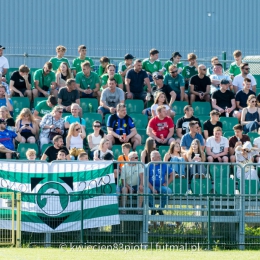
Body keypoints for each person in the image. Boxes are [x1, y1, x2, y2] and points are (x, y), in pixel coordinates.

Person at [148, 150, 173, 215]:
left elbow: (172, 173)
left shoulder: (163, 165)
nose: (160, 158)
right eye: (158, 157)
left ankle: (160, 209)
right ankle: (153, 209)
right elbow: (145, 180)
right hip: (150, 186)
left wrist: (167, 183)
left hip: (161, 186)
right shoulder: (147, 166)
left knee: (168, 191)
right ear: (153, 158)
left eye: (160, 156)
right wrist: (152, 188)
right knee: (146, 191)